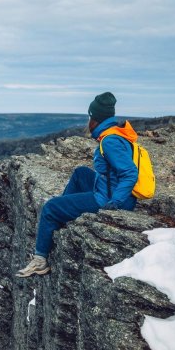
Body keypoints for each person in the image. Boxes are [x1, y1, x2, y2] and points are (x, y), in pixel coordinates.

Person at [16, 92, 138, 278]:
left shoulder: (110, 141)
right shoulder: (114, 134)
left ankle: (40, 261)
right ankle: (63, 214)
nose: (88, 123)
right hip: (108, 189)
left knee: (50, 207)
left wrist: (116, 202)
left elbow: (130, 172)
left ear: (95, 120)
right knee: (81, 173)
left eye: (89, 118)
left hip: (108, 199)